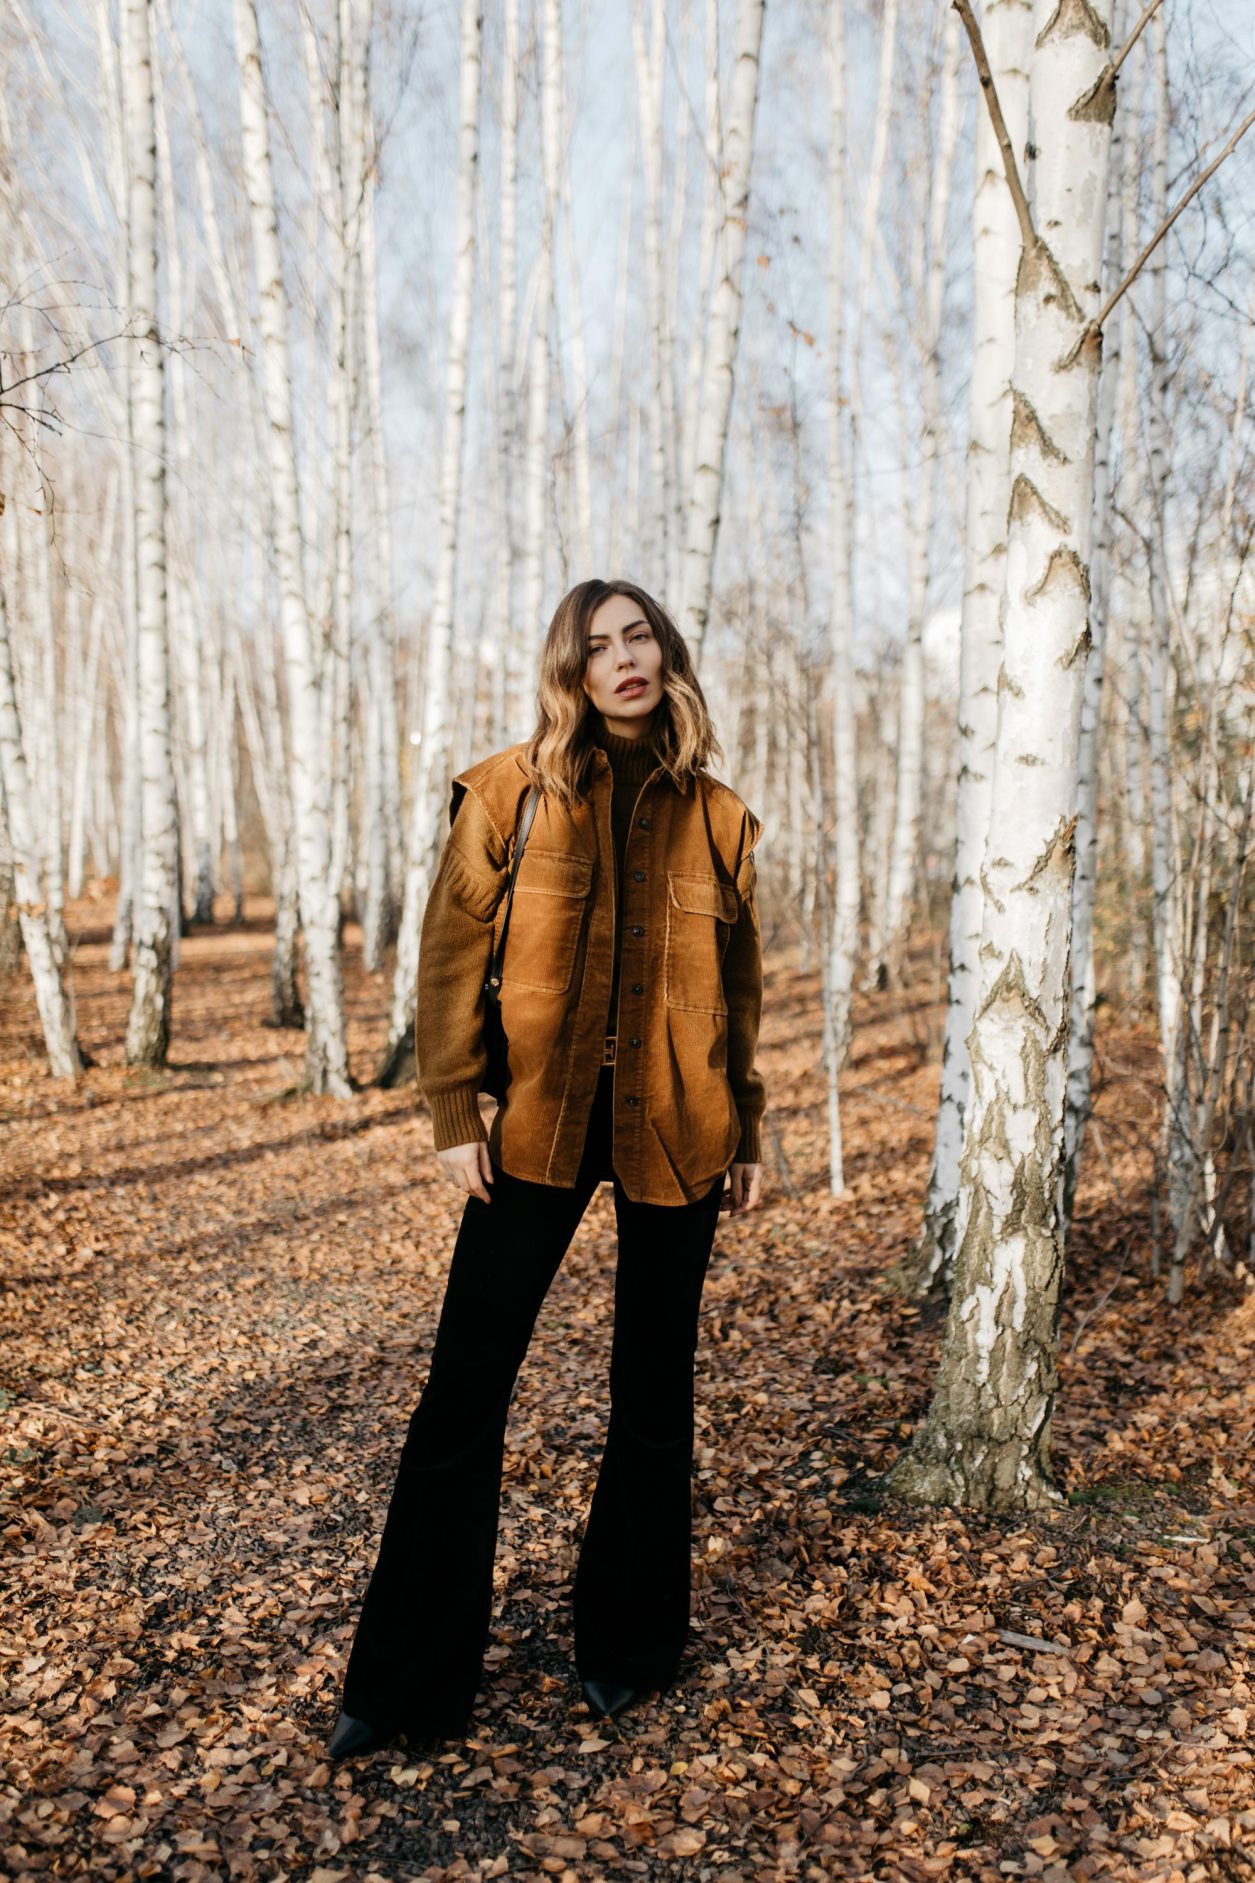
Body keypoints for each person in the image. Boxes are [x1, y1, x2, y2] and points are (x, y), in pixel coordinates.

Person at [326, 578, 766, 1759]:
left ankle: (626, 1648)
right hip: (533, 1124)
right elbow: (449, 946)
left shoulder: (718, 817)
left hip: (679, 1126)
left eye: (639, 638)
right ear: (568, 670)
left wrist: (749, 1126)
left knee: (653, 1396)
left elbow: (738, 990)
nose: (622, 658)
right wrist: (449, 1101)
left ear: (666, 657)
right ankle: (404, 1681)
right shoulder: (507, 792)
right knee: (464, 1395)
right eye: (597, 644)